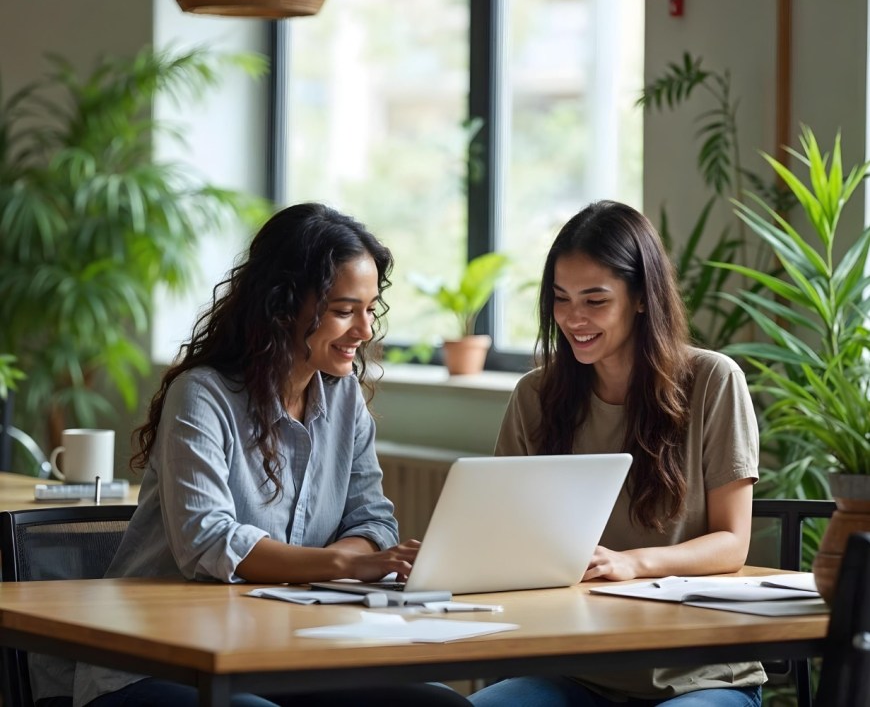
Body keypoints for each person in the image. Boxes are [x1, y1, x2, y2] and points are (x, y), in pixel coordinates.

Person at [34, 203, 472, 707]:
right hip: (158, 665)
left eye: (371, 309)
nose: (365, 330)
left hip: (285, 654)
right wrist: (339, 563)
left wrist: (353, 560)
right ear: (283, 306)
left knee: (441, 705)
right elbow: (208, 541)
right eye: (344, 310)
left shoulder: (344, 397)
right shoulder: (202, 395)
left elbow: (372, 521)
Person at [468, 200, 764, 707]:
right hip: (572, 671)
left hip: (699, 676)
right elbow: (505, 538)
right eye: (561, 299)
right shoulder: (535, 396)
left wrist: (633, 563)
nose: (573, 318)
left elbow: (732, 543)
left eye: (595, 300)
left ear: (642, 299)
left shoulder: (712, 381)